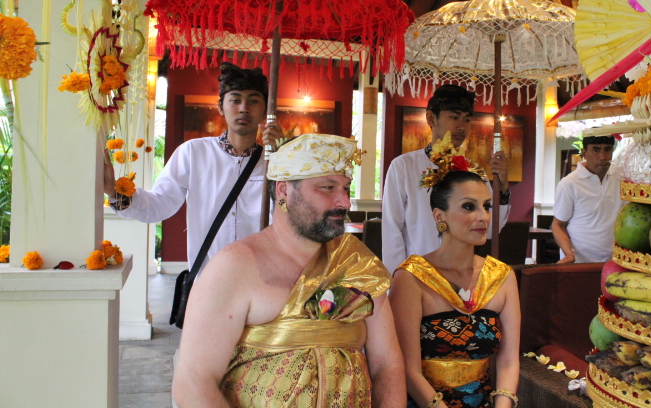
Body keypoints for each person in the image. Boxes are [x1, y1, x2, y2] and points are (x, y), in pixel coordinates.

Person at [172, 133, 406, 407]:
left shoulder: (357, 262)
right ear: (283, 191)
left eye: (346, 187)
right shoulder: (235, 267)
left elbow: (387, 364)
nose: (344, 202)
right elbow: (193, 382)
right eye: (328, 188)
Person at [104, 62, 281, 270]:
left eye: (253, 101)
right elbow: (159, 205)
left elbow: (292, 215)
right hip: (208, 277)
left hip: (260, 275)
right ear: (220, 107)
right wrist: (115, 192)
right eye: (235, 100)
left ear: (265, 112)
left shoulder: (276, 161)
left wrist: (282, 156)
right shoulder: (193, 153)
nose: (243, 108)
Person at [389, 137, 520, 408]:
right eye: (469, 207)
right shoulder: (411, 278)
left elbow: (508, 361)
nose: (483, 217)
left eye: (487, 206)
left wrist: (503, 405)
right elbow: (408, 370)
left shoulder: (502, 276)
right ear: (440, 216)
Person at [382, 84, 511, 273]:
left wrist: (503, 188)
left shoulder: (474, 170)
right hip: (418, 273)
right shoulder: (404, 166)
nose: (461, 126)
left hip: (462, 271)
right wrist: (397, 280)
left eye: (467, 119)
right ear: (431, 118)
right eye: (454, 117)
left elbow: (491, 230)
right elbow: (392, 229)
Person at [552, 135, 627, 264]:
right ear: (584, 153)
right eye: (596, 150)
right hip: (579, 263)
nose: (603, 156)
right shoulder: (569, 184)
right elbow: (558, 225)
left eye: (607, 150)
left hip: (615, 262)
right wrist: (569, 255)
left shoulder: (622, 180)